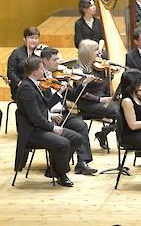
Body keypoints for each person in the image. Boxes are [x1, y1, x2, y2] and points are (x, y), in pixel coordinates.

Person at [15, 56, 83, 187]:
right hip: (33, 133)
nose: (44, 71)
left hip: (41, 128)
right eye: (41, 68)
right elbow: (35, 117)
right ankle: (61, 174)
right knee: (63, 143)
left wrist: (59, 93)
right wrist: (52, 127)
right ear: (34, 72)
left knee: (76, 138)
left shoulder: (34, 84)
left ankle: (55, 169)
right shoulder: (26, 89)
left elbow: (44, 106)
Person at [40, 47, 97, 175]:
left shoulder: (60, 76)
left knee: (81, 125)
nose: (58, 62)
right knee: (66, 136)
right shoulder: (39, 79)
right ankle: (58, 166)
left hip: (63, 113)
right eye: (55, 60)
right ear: (44, 61)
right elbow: (42, 104)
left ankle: (82, 162)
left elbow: (72, 97)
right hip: (47, 117)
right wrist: (51, 113)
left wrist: (83, 84)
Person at [74, 39, 118, 149]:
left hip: (101, 98)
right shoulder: (78, 69)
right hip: (88, 103)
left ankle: (104, 132)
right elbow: (82, 93)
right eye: (96, 50)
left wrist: (109, 74)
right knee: (120, 112)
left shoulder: (97, 66)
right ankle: (109, 135)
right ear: (87, 52)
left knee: (128, 107)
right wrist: (100, 100)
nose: (99, 52)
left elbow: (102, 86)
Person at [8, 26, 41, 101]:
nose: (34, 41)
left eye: (36, 38)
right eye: (31, 38)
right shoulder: (16, 53)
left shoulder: (37, 55)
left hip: (35, 88)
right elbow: (10, 72)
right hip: (19, 89)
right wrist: (21, 84)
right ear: (24, 39)